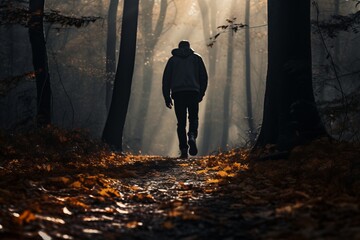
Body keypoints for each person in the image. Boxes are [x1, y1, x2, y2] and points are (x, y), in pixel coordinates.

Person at [162, 40, 208, 158]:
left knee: (181, 122)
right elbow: (204, 77)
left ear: (178, 47)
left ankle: (183, 149)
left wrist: (167, 97)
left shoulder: (172, 61)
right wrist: (201, 93)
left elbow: (166, 80)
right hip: (193, 92)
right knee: (193, 118)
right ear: (189, 47)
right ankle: (192, 135)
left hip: (178, 94)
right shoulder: (196, 59)